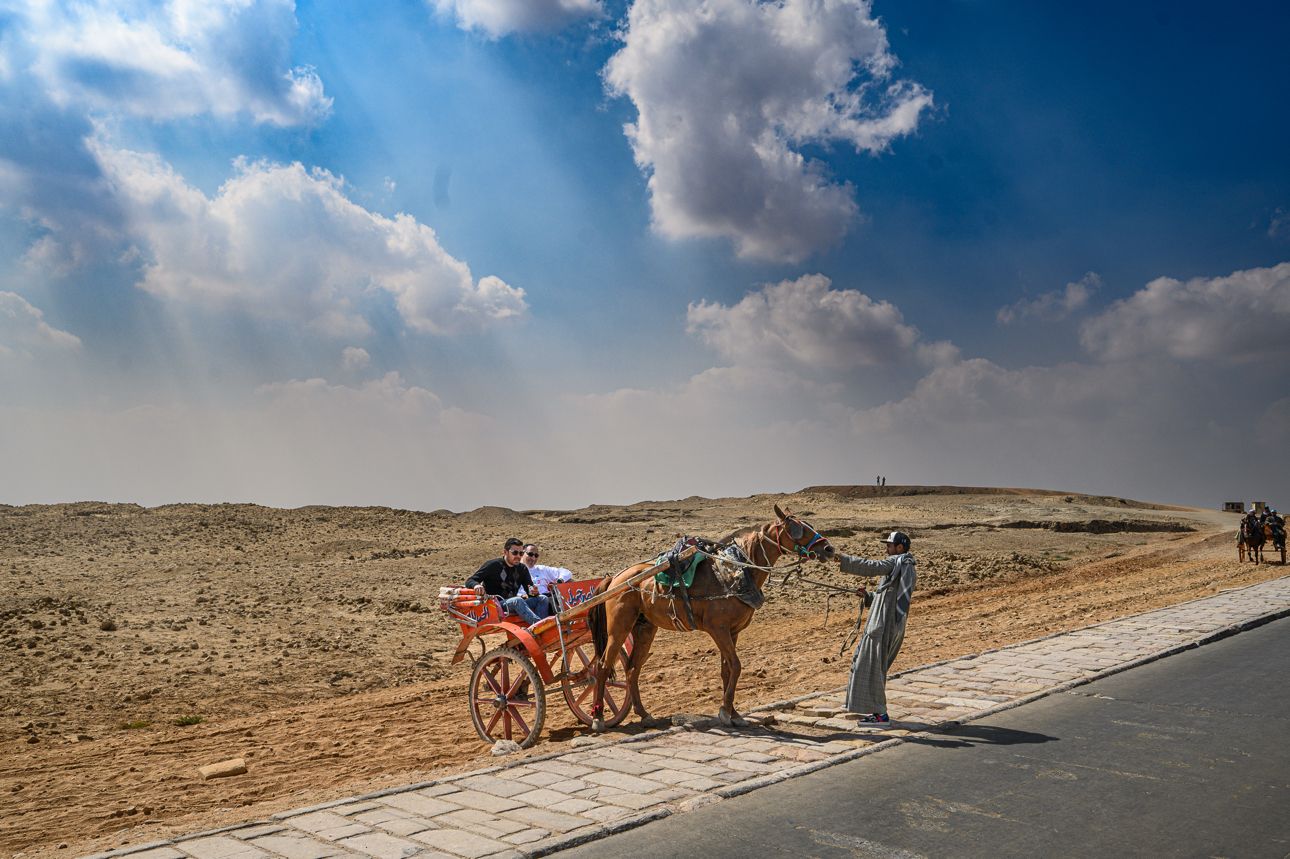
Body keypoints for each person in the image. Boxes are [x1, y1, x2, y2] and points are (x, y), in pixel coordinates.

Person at [836, 531, 917, 725]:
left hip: (882, 627)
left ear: (899, 548)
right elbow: (889, 596)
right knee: (865, 664)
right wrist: (868, 596)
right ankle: (858, 705)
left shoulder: (897, 562)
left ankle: (880, 714)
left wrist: (844, 559)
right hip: (886, 624)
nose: (886, 549)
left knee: (872, 668)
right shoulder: (903, 566)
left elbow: (873, 566)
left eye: (889, 546)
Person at [464, 538, 543, 625]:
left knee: (542, 599)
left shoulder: (522, 568)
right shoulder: (493, 565)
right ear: (505, 552)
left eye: (521, 553)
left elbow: (530, 592)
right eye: (514, 552)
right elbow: (471, 580)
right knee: (517, 601)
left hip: (512, 603)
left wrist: (533, 592)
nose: (518, 556)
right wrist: (476, 585)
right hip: (495, 605)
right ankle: (541, 625)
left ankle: (542, 631)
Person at [519, 544, 573, 618]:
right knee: (546, 600)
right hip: (530, 598)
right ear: (522, 554)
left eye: (536, 556)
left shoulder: (541, 569)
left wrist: (559, 581)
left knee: (568, 585)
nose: (533, 558)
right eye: (530, 554)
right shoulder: (516, 571)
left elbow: (566, 572)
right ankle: (559, 621)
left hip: (547, 596)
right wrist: (521, 596)